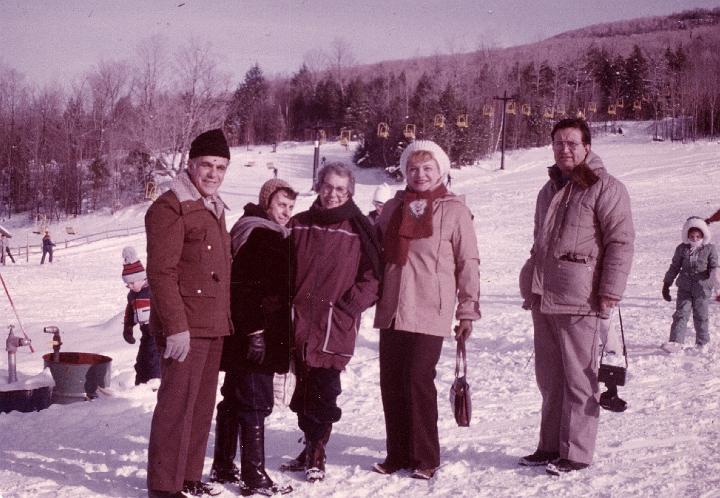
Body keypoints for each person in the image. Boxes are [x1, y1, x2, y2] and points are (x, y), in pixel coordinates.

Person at [518, 118, 635, 475]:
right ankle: (549, 446)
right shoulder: (548, 189)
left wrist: (610, 291)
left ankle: (577, 452)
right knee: (549, 378)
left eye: (572, 143)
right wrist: (529, 281)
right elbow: (541, 242)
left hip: (580, 296)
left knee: (580, 379)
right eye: (558, 143)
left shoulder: (605, 187)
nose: (564, 149)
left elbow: (620, 242)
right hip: (544, 295)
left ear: (587, 147)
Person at [372, 140, 481, 480]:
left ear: (441, 171)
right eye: (413, 169)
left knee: (418, 379)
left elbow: (469, 262)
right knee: (391, 381)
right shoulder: (393, 208)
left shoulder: (454, 211)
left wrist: (467, 311)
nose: (420, 175)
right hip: (393, 306)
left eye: (427, 169)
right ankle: (398, 453)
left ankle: (426, 457)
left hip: (430, 306)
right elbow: (371, 247)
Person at [145, 129, 232, 498]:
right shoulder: (171, 206)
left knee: (200, 405)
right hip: (185, 326)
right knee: (176, 408)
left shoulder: (213, 205)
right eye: (207, 165)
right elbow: (161, 272)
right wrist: (176, 327)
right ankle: (165, 488)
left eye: (221, 167)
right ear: (191, 164)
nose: (213, 173)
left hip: (212, 323)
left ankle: (188, 476)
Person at [280, 162, 381, 482]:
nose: (333, 194)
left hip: (334, 324)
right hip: (300, 322)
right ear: (318, 186)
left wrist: (350, 307)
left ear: (349, 192)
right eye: (327, 186)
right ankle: (309, 443)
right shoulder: (300, 224)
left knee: (325, 390)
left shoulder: (358, 228)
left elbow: (374, 276)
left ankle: (317, 451)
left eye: (340, 189)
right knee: (302, 391)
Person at [209, 178, 297, 496]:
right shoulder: (262, 235)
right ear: (266, 202)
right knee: (256, 403)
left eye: (290, 207)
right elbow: (245, 288)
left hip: (243, 334)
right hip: (256, 335)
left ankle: (222, 464)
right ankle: (254, 476)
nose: (286, 212)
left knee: (234, 398)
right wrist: (256, 333)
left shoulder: (253, 228)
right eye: (281, 205)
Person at [661, 217, 719, 352]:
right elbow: (674, 267)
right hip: (685, 288)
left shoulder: (710, 249)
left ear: (703, 236)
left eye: (698, 236)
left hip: (702, 288)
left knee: (701, 315)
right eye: (691, 236)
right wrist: (666, 284)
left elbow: (714, 266)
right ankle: (676, 342)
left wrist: (715, 274)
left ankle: (702, 343)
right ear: (687, 236)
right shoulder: (682, 249)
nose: (694, 239)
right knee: (681, 314)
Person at [121, 246, 161, 386]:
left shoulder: (153, 291)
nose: (130, 286)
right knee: (141, 360)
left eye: (132, 282)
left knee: (154, 358)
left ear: (142, 278)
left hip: (157, 332)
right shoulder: (132, 295)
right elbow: (130, 312)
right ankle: (140, 384)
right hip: (145, 333)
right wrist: (128, 328)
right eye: (128, 284)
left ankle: (155, 383)